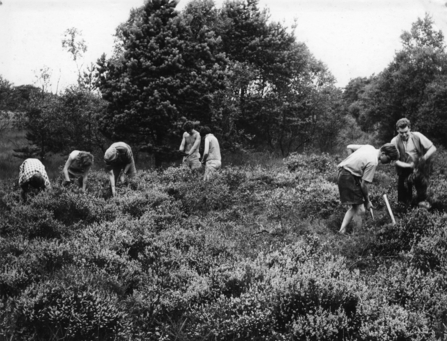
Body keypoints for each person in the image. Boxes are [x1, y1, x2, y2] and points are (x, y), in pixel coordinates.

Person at [337, 143, 399, 234]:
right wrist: (367, 201)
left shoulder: (370, 147)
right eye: (389, 159)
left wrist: (354, 163)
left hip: (343, 172)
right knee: (360, 209)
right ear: (383, 154)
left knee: (355, 206)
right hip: (348, 177)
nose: (389, 162)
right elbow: (364, 185)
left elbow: (349, 147)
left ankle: (342, 231)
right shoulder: (373, 162)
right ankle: (357, 236)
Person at [391, 118, 436, 206]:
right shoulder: (394, 141)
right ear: (397, 131)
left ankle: (421, 210)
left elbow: (433, 148)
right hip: (403, 170)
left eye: (406, 132)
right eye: (401, 133)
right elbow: (394, 160)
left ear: (410, 128)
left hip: (419, 169)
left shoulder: (417, 135)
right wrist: (408, 166)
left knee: (422, 194)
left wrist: (423, 158)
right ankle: (405, 210)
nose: (404, 135)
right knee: (403, 200)